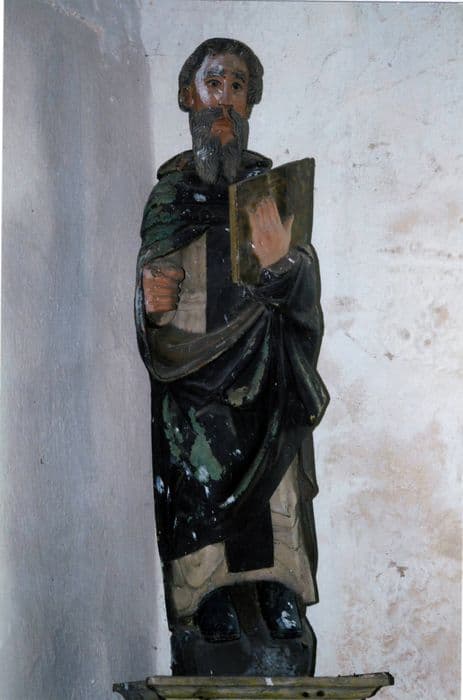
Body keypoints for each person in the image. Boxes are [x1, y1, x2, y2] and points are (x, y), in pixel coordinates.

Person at [135, 38, 328, 650]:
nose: (225, 99)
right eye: (214, 83)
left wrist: (284, 264)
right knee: (195, 473)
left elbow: (301, 285)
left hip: (262, 363)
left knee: (277, 479)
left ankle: (279, 588)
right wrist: (152, 304)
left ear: (250, 103)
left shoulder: (266, 189)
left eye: (238, 87)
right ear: (189, 96)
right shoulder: (169, 197)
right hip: (192, 368)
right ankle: (205, 593)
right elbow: (152, 283)